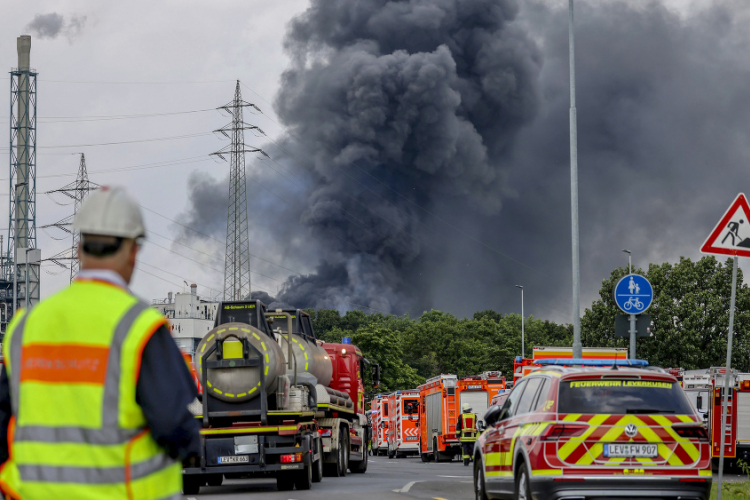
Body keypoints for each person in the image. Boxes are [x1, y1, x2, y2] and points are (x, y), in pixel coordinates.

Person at [0, 186, 201, 500]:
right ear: (133, 251)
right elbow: (173, 423)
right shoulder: (138, 327)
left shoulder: (26, 327)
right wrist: (191, 448)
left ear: (79, 248)